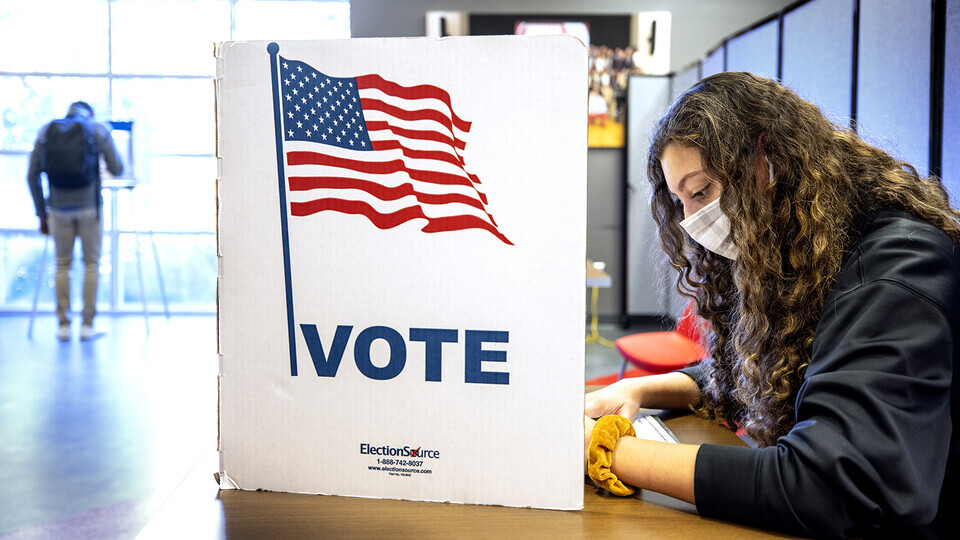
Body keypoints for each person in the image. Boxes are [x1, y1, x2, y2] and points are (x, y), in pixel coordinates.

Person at [584, 72, 960, 538]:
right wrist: (641, 390)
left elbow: (831, 484)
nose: (692, 221)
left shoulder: (897, 264)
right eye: (680, 202)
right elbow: (774, 367)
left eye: (701, 191)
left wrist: (606, 450)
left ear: (769, 158)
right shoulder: (799, 247)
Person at [27, 101, 123, 341]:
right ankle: (87, 326)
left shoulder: (46, 130)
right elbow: (118, 168)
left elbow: (32, 175)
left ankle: (63, 326)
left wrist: (42, 213)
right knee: (91, 264)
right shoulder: (98, 129)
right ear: (90, 113)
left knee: (62, 265)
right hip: (90, 207)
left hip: (58, 210)